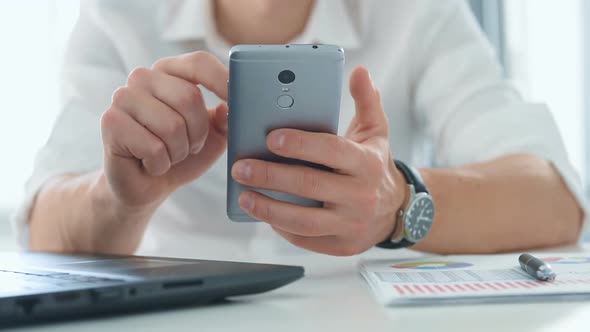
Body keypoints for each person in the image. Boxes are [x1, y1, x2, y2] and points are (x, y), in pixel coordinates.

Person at [15, 0, 586, 259]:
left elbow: (556, 196)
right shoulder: (118, 13)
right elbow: (43, 225)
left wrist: (396, 203)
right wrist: (121, 200)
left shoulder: (418, 12)